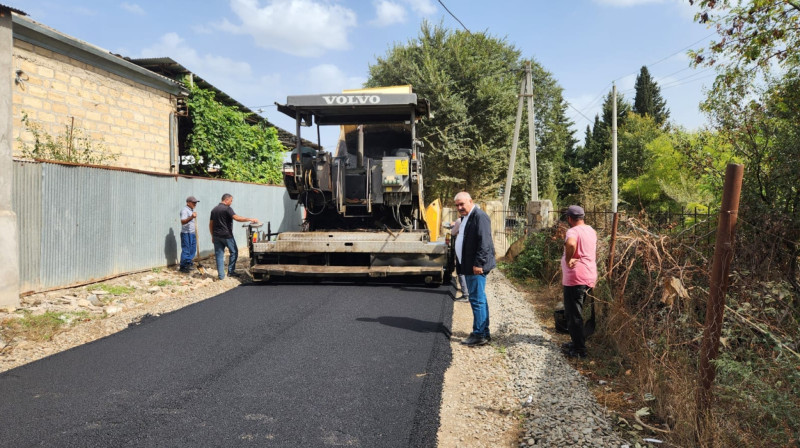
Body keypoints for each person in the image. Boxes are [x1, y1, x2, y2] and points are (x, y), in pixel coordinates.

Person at [453, 192, 496, 347]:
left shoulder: (479, 216)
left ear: (470, 201)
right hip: (469, 265)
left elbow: (484, 243)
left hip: (476, 267)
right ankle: (483, 332)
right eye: (457, 205)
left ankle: (479, 335)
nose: (459, 208)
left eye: (462, 204)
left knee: (477, 300)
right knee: (479, 299)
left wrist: (478, 263)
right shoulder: (467, 217)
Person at [560, 205, 598, 359]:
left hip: (575, 278)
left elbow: (571, 244)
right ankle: (577, 342)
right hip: (589, 276)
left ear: (570, 218)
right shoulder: (591, 230)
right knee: (578, 312)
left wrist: (568, 259)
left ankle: (579, 350)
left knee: (573, 315)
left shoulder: (573, 231)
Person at [209, 193, 259, 280]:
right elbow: (237, 218)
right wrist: (249, 219)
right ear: (226, 200)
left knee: (219, 255)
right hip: (227, 236)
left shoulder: (214, 210)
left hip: (216, 236)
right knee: (234, 252)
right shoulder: (227, 209)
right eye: (231, 201)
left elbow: (211, 224)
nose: (231, 202)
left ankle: (221, 276)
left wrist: (212, 235)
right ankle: (231, 272)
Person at [450, 217, 469, 302]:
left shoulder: (460, 220)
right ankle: (470, 292)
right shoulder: (473, 219)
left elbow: (453, 232)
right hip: (470, 250)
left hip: (461, 250)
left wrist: (454, 227)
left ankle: (466, 295)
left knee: (461, 272)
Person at [179, 196, 199, 273]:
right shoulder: (184, 210)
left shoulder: (191, 210)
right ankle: (183, 266)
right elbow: (183, 222)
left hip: (192, 233)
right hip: (186, 233)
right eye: (193, 202)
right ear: (188, 203)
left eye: (196, 203)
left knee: (192, 249)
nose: (195, 204)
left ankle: (188, 263)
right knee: (186, 250)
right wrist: (191, 217)